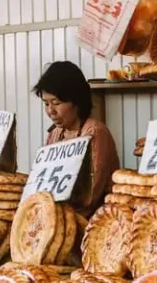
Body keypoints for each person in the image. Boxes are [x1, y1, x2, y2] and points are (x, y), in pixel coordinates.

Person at [33, 61, 120, 216]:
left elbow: (90, 197)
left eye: (56, 103)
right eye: (46, 103)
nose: (50, 111)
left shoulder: (95, 133)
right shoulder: (55, 134)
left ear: (76, 102)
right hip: (59, 215)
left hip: (96, 219)